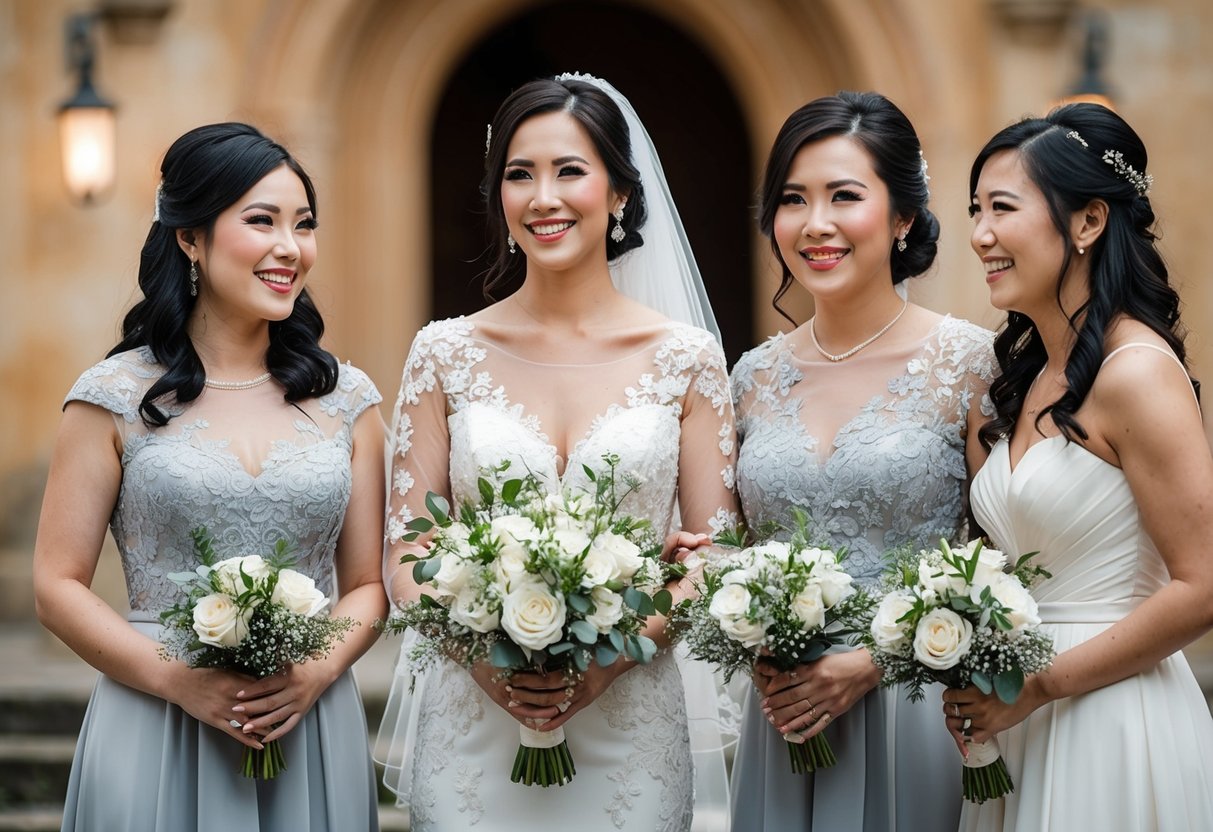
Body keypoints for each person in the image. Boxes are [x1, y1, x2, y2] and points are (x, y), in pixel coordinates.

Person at [376, 73, 739, 831]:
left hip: (631, 717)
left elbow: (716, 552)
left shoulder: (687, 359)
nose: (543, 196)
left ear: (618, 195)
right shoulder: (443, 352)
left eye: (569, 171)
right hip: (473, 719)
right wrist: (487, 666)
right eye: (519, 174)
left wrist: (612, 658)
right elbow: (408, 549)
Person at [33, 123, 386, 831]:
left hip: (306, 722)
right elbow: (55, 584)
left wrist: (313, 673)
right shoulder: (112, 396)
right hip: (154, 714)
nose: (290, 247)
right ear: (189, 238)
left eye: (304, 224)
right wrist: (177, 678)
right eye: (262, 221)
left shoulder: (348, 401)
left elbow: (369, 585)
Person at [728, 91, 994, 830]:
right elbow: (727, 548)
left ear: (902, 215)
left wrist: (876, 660)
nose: (815, 223)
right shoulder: (749, 376)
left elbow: (1007, 561)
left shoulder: (969, 365)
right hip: (783, 719)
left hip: (921, 707)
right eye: (792, 199)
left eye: (844, 195)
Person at [943, 102, 1213, 830]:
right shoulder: (1012, 382)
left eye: (1001, 208)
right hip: (1016, 715)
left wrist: (1040, 683)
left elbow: (1202, 586)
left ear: (1088, 222)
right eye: (974, 210)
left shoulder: (1135, 372)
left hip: (1110, 715)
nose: (979, 235)